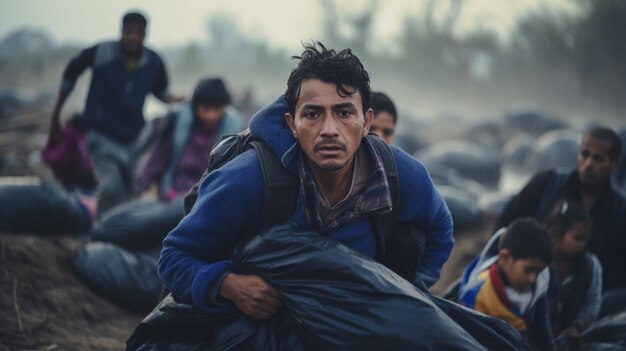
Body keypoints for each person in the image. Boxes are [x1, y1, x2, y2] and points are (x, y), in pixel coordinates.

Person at [158, 42, 453, 320]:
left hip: (357, 323)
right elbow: (174, 257)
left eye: (344, 113)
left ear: (366, 122)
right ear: (292, 124)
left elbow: (440, 229)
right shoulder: (250, 179)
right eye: (312, 114)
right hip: (267, 326)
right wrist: (229, 286)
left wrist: (407, 293)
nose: (329, 129)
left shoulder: (400, 174)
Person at [72, 78, 244, 311]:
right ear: (196, 107)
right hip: (170, 195)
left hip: (204, 201)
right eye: (206, 108)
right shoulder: (180, 123)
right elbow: (160, 157)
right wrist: (151, 188)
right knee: (139, 225)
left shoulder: (234, 135)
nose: (211, 115)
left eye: (217, 109)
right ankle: (98, 237)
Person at [48, 11, 182, 216]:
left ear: (145, 35)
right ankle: (99, 231)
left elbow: (162, 93)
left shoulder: (152, 61)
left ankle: (120, 234)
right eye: (129, 32)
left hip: (132, 139)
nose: (133, 37)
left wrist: (181, 99)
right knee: (111, 186)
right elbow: (71, 73)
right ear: (121, 32)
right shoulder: (102, 53)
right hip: (101, 135)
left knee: (131, 191)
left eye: (139, 33)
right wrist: (56, 113)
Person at [495, 127, 626, 296]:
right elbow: (504, 227)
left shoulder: (621, 212)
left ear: (614, 164)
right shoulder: (546, 184)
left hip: (585, 303)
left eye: (598, 158)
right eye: (584, 154)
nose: (588, 164)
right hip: (525, 289)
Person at [458, 218, 553, 350]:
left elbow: (541, 329)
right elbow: (464, 337)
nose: (533, 279)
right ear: (504, 258)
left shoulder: (537, 290)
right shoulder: (477, 292)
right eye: (528, 270)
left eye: (538, 272)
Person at [544, 201, 602, 347]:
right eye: (576, 238)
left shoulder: (589, 265)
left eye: (584, 240)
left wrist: (577, 327)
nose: (580, 245)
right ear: (557, 233)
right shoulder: (539, 261)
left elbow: (593, 301)